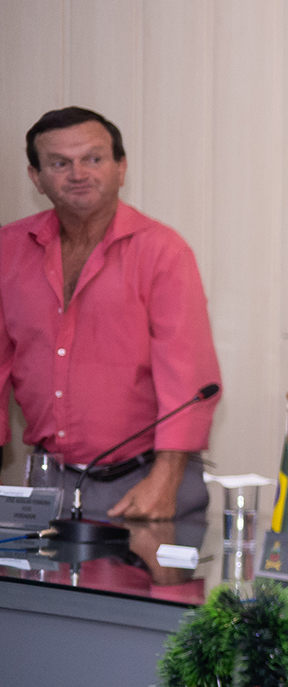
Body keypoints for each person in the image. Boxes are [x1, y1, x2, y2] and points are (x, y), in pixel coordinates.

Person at [0, 107, 220, 523]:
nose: (78, 173)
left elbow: (188, 376)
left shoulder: (162, 251)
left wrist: (165, 479)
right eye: (60, 163)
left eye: (93, 158)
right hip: (47, 481)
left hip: (146, 479)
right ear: (36, 178)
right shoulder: (8, 249)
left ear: (121, 168)